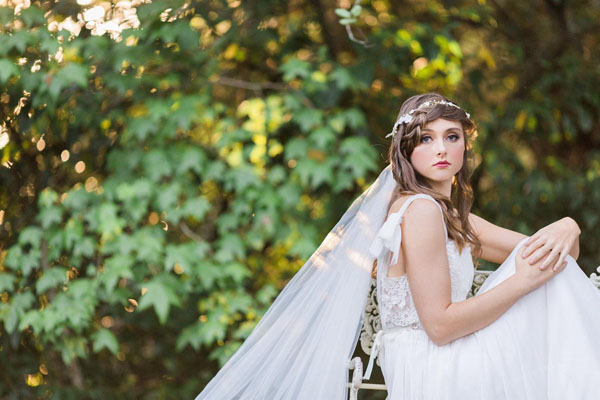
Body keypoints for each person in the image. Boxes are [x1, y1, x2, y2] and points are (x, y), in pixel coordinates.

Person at [195, 93, 600, 399]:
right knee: (551, 292)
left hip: (439, 365)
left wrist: (568, 227)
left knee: (555, 277)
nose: (441, 148)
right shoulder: (421, 210)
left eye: (452, 137)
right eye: (426, 138)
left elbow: (553, 258)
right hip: (437, 370)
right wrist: (520, 283)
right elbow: (439, 328)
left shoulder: (450, 216)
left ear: (464, 147)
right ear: (406, 149)